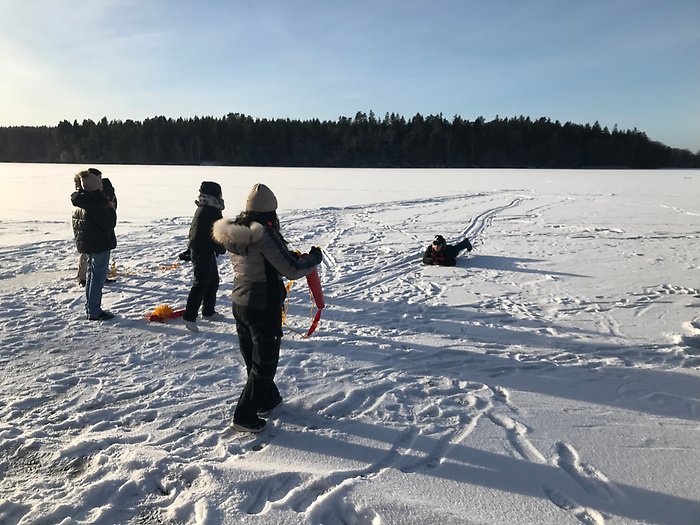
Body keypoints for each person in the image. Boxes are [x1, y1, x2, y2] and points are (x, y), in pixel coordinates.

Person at [212, 183, 322, 433]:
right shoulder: (265, 235)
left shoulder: (236, 232)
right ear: (271, 212)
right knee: (265, 362)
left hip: (240, 302)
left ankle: (267, 399)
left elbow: (265, 261)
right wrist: (314, 259)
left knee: (253, 357)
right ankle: (244, 415)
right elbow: (291, 269)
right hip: (263, 305)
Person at [71, 168, 117, 321]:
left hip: (89, 243)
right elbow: (109, 223)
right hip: (99, 244)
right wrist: (110, 209)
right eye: (99, 182)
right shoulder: (94, 203)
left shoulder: (81, 200)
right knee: (96, 278)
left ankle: (91, 307)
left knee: (92, 276)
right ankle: (94, 310)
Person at [182, 181, 227, 332]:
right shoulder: (210, 210)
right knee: (201, 283)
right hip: (202, 249)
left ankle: (208, 311)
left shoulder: (206, 208)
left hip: (203, 249)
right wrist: (221, 248)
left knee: (213, 281)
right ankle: (189, 317)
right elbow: (215, 234)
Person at [75, 169, 117, 286]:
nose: (100, 180)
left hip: (95, 233)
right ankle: (84, 278)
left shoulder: (101, 189)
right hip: (92, 235)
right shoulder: (88, 196)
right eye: (98, 177)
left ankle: (96, 276)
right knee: (87, 258)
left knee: (93, 260)